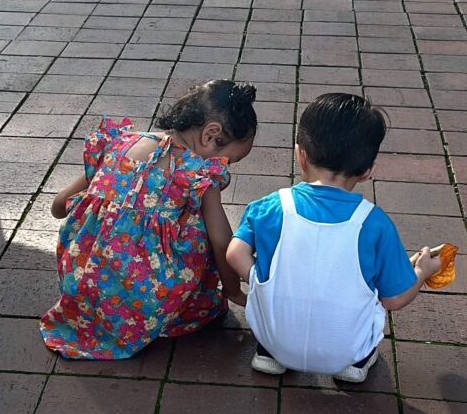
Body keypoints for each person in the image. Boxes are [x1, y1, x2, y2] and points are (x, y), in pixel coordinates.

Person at [227, 93, 442, 381]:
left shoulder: (270, 207)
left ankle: (269, 353)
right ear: (367, 172)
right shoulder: (374, 224)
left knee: (271, 286)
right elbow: (394, 299)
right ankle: (356, 364)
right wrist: (421, 271)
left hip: (275, 337)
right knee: (373, 292)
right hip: (343, 352)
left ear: (300, 154)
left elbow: (234, 254)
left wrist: (259, 280)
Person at [40, 80, 258, 360]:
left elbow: (60, 205)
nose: (225, 166)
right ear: (211, 135)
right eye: (231, 159)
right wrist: (232, 290)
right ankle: (179, 308)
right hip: (139, 303)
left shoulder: (121, 142)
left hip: (81, 284)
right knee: (198, 225)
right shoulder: (198, 172)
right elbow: (221, 241)